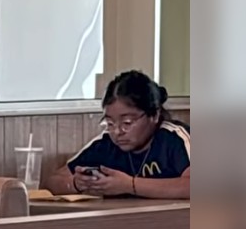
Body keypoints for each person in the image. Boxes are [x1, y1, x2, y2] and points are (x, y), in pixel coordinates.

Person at [43, 70, 190, 199]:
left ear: (154, 115)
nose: (118, 132)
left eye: (127, 122)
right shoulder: (106, 143)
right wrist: (76, 183)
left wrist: (129, 185)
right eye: (110, 123)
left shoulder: (173, 138)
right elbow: (53, 181)